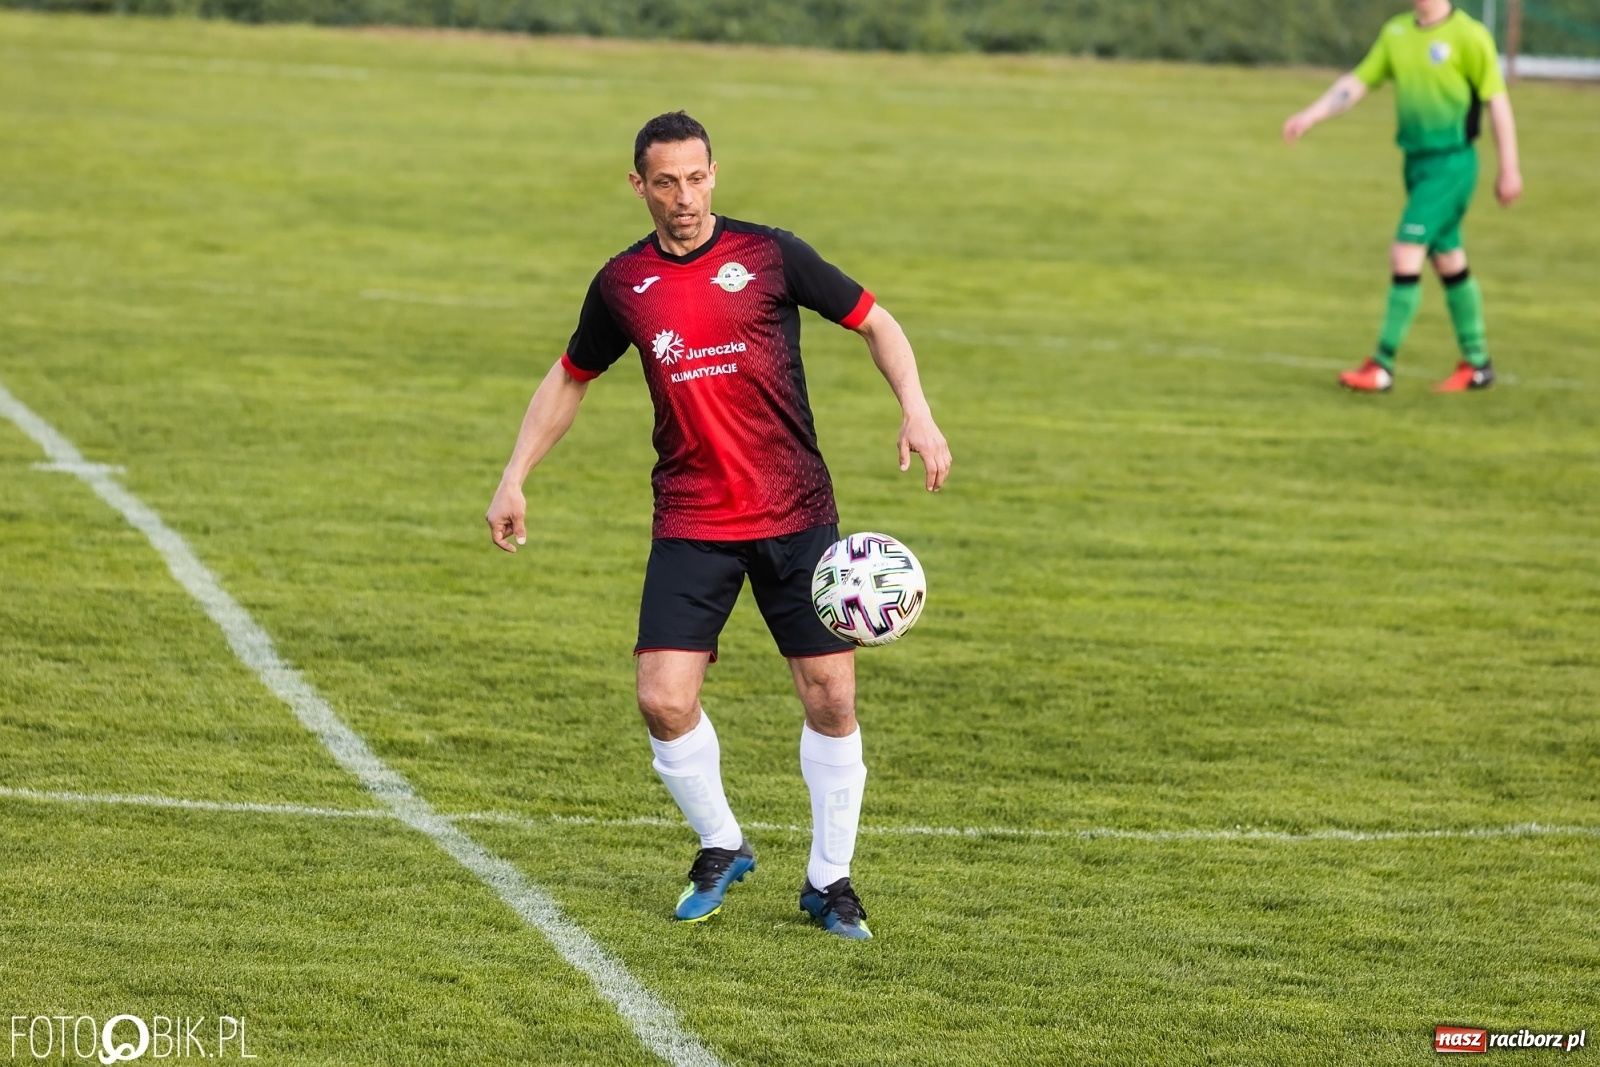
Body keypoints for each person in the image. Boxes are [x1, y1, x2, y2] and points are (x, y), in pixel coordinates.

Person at [485, 111, 952, 941]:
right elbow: (570, 376)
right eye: (666, 182)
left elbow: (876, 320)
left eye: (697, 178)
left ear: (714, 173)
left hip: (795, 513)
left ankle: (830, 879)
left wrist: (916, 410)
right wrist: (515, 475)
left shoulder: (770, 255)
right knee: (663, 701)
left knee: (831, 695)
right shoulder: (622, 284)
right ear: (640, 186)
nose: (685, 197)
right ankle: (722, 842)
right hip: (694, 516)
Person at [1284, 0, 1522, 392]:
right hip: (1415, 164)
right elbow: (1357, 82)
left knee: (1406, 249)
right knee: (1447, 258)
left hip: (1452, 164)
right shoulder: (1397, 33)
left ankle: (1382, 365)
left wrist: (1509, 167)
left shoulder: (1469, 36)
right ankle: (1478, 364)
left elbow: (1497, 101)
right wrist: (1311, 115)